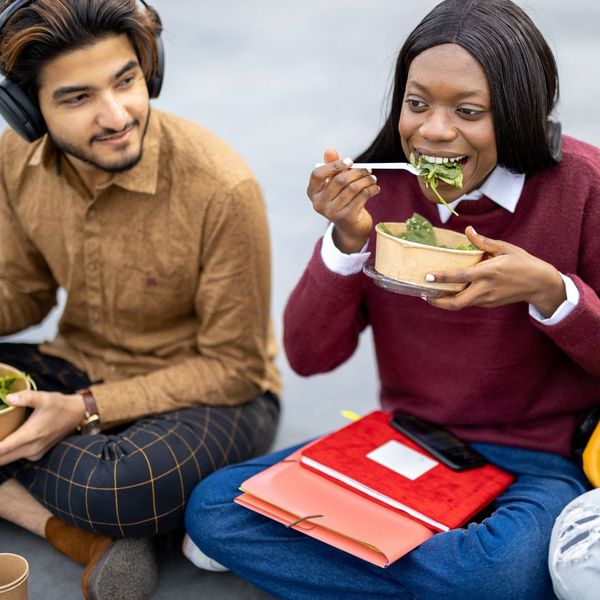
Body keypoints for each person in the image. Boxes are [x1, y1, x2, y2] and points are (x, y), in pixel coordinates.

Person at [183, 0, 600, 598]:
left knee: (494, 573)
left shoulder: (583, 187)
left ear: (518, 112)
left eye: (469, 110)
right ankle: (433, 572)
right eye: (417, 102)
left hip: (538, 458)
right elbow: (308, 356)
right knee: (216, 509)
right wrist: (346, 241)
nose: (433, 130)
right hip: (407, 438)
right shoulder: (380, 192)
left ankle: (362, 558)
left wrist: (551, 291)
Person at [0, 1, 280, 599]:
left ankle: (83, 506)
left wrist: (82, 410)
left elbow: (235, 367)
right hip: (78, 362)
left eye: (126, 81)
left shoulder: (222, 188)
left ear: (147, 71)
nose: (115, 115)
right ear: (27, 111)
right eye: (76, 99)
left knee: (118, 486)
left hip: (215, 393)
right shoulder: (15, 159)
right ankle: (78, 532)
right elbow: (23, 295)